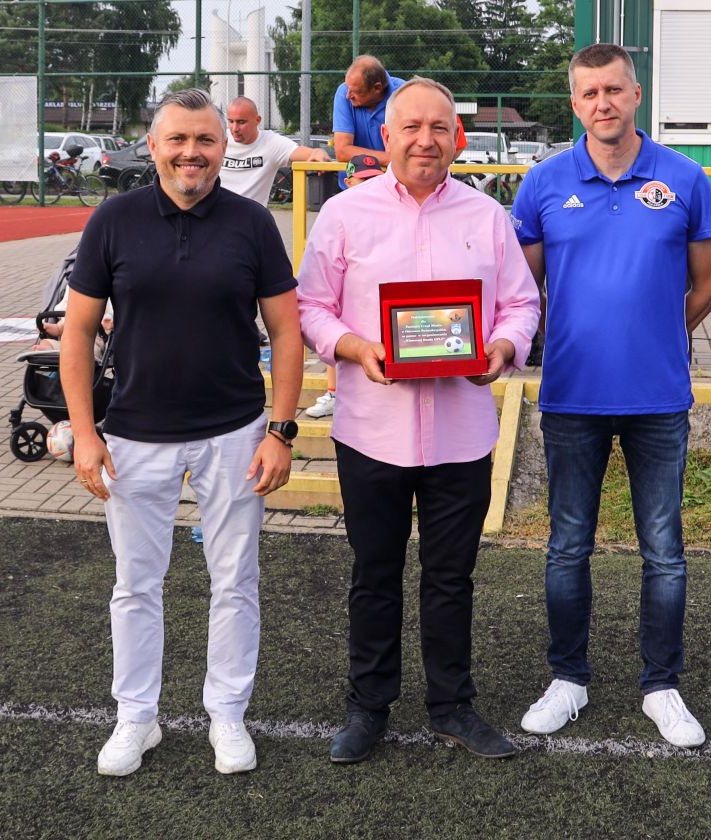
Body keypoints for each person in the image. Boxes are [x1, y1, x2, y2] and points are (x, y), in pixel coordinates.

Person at [59, 88, 304, 777]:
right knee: (136, 584)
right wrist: (84, 433)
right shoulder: (114, 220)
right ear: (154, 146)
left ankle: (227, 714)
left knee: (235, 581)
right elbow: (77, 332)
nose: (191, 153)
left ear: (224, 147)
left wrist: (281, 430)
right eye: (178, 140)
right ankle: (137, 717)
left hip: (235, 431)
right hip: (135, 434)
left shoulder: (253, 223)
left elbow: (287, 332)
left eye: (204, 140)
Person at [298, 76, 540, 764]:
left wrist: (502, 349)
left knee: (451, 576)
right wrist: (355, 348)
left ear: (456, 138)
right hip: (371, 430)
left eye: (439, 127)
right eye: (411, 127)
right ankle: (368, 706)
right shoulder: (344, 214)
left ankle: (452, 705)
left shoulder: (487, 216)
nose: (425, 140)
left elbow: (521, 304)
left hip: (462, 432)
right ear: (386, 136)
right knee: (374, 573)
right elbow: (312, 306)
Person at [509, 43, 711, 748]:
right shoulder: (543, 183)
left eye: (613, 89)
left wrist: (660, 329)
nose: (602, 103)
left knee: (664, 551)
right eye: (588, 93)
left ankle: (662, 686)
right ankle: (567, 679)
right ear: (575, 103)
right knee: (567, 546)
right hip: (571, 396)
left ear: (636, 94)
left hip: (658, 398)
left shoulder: (685, 178)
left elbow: (709, 284)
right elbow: (524, 291)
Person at [304, 153, 386, 420]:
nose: (369, 185)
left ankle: (335, 392)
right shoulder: (338, 211)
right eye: (363, 180)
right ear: (348, 181)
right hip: (343, 296)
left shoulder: (387, 213)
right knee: (336, 332)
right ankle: (333, 392)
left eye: (374, 179)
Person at [222, 96, 329, 205]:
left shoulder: (271, 143)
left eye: (241, 122)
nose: (234, 128)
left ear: (257, 120)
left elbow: (312, 153)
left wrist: (318, 153)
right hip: (216, 212)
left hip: (250, 214)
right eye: (231, 121)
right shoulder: (219, 138)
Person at [332, 55, 405, 170]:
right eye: (348, 88)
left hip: (395, 180)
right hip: (353, 180)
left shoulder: (405, 94)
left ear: (377, 88)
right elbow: (342, 151)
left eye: (356, 92)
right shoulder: (343, 93)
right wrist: (389, 159)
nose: (348, 95)